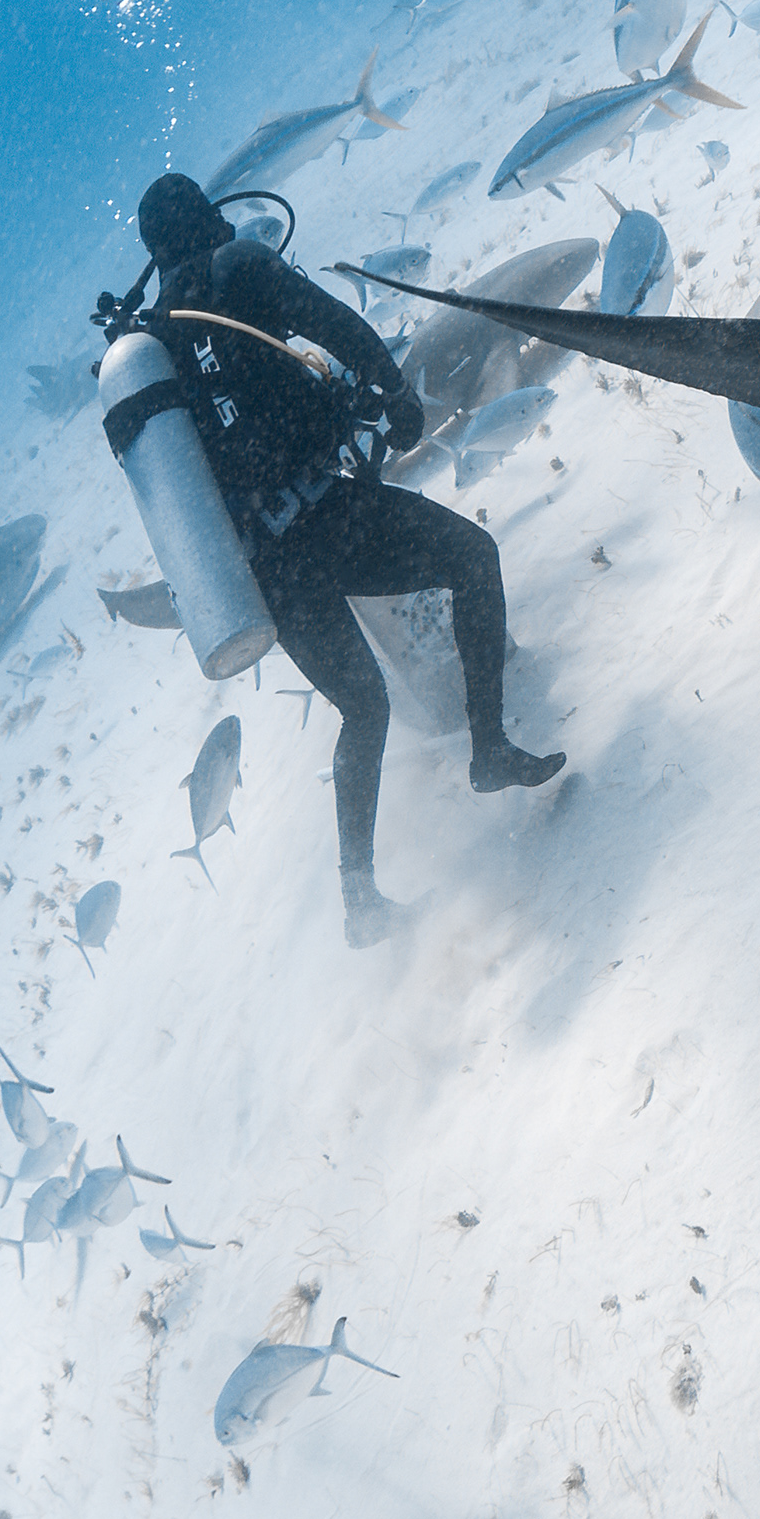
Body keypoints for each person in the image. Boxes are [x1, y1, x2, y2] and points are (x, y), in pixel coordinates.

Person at [122, 174, 563, 946]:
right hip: (328, 520)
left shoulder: (151, 345)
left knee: (363, 709)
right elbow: (336, 326)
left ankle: (359, 896)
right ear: (208, 220)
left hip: (263, 572)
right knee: (472, 556)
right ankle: (488, 745)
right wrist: (395, 395)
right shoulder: (240, 267)